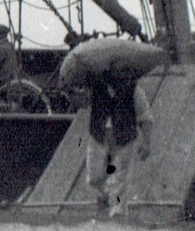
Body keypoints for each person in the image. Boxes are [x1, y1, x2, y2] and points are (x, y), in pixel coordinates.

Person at [58, 38, 160, 216]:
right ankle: (109, 197)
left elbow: (145, 117)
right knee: (94, 177)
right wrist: (71, 92)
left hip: (124, 138)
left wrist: (147, 143)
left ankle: (118, 214)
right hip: (100, 137)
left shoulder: (134, 91)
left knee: (120, 179)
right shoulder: (98, 87)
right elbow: (83, 103)